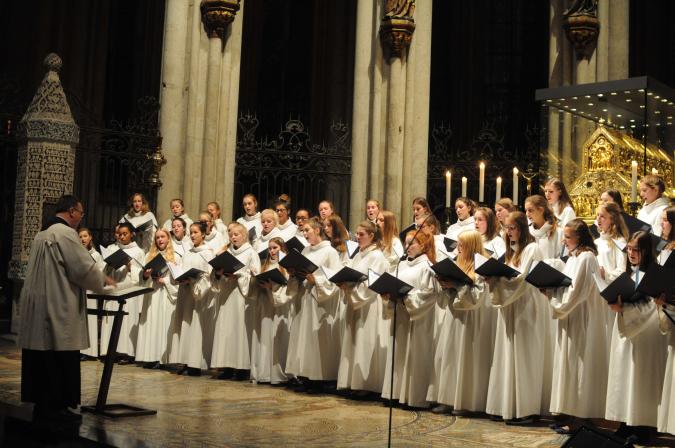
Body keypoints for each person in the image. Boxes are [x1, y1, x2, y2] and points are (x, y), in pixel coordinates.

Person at [19, 195, 112, 422]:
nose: (81, 218)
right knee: (58, 354)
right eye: (81, 212)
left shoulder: (42, 234)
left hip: (40, 303)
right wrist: (104, 281)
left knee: (42, 356)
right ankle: (58, 407)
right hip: (57, 303)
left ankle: (42, 405)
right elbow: (82, 268)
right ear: (71, 211)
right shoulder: (65, 234)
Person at [485, 211, 552, 424]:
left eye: (512, 228)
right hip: (511, 306)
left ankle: (527, 410)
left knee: (525, 357)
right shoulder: (511, 252)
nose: (508, 232)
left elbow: (522, 279)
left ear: (522, 229)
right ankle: (507, 405)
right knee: (508, 355)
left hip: (527, 307)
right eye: (506, 228)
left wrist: (500, 280)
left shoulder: (533, 248)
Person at [545, 219, 609, 433]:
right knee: (569, 365)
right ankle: (571, 413)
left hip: (582, 318)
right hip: (570, 316)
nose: (563, 240)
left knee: (580, 365)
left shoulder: (587, 257)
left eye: (568, 236)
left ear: (579, 237)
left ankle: (581, 417)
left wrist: (555, 300)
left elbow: (578, 292)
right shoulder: (573, 258)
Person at [605, 231, 668, 444]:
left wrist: (624, 310)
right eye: (629, 249)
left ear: (646, 252)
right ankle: (625, 422)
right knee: (623, 376)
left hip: (646, 333)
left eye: (636, 250)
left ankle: (641, 426)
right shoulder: (630, 273)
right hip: (626, 330)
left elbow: (651, 306)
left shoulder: (654, 274)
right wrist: (619, 306)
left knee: (640, 379)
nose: (631, 253)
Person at [429, 230, 495, 415]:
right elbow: (449, 296)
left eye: (461, 245)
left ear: (471, 247)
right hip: (454, 316)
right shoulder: (457, 263)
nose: (457, 248)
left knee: (467, 358)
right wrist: (446, 285)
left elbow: (478, 297)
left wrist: (457, 285)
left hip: (471, 320)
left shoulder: (481, 267)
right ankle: (447, 399)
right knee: (450, 356)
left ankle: (467, 402)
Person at [380, 230, 441, 409]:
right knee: (398, 354)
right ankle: (396, 393)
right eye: (406, 243)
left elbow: (428, 295)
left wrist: (406, 298)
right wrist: (390, 295)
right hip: (401, 315)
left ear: (422, 245)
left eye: (411, 243)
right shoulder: (402, 265)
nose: (407, 246)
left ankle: (414, 397)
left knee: (414, 354)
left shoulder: (427, 266)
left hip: (418, 320)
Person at [284, 217, 342, 391]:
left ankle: (319, 378)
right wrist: (294, 273)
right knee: (303, 337)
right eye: (303, 231)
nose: (305, 233)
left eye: (307, 230)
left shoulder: (329, 252)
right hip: (305, 298)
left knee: (316, 339)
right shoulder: (305, 252)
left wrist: (315, 279)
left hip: (320, 303)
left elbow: (334, 278)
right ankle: (305, 375)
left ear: (318, 230)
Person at [337, 220, 390, 395]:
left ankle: (367, 385)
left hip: (370, 305)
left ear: (372, 236)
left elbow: (372, 283)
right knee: (354, 341)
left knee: (366, 341)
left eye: (361, 234)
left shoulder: (377, 256)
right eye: (357, 234)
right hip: (356, 303)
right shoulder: (359, 254)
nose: (357, 237)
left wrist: (352, 288)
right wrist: (345, 283)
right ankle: (354, 382)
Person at [211, 222, 260, 380]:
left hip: (241, 296)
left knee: (239, 330)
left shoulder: (251, 253)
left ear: (244, 235)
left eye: (237, 234)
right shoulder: (227, 254)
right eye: (231, 235)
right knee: (226, 330)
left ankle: (241, 367)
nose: (233, 237)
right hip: (226, 294)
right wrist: (218, 274)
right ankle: (226, 366)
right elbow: (215, 278)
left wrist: (239, 274)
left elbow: (255, 275)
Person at [99, 222, 145, 360]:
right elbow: (102, 271)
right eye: (120, 234)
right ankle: (110, 351)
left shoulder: (138, 251)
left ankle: (125, 352)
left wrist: (130, 266)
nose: (122, 236)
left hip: (128, 288)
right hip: (113, 286)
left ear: (132, 234)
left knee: (126, 320)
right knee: (111, 318)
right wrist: (107, 264)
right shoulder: (111, 249)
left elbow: (141, 275)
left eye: (125, 234)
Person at [175, 222, 215, 376]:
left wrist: (193, 281)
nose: (192, 235)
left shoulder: (207, 253)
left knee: (197, 328)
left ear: (203, 234)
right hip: (186, 294)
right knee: (186, 326)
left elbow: (209, 276)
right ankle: (185, 361)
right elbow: (180, 269)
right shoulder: (187, 253)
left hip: (199, 296)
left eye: (195, 232)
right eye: (191, 232)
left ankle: (195, 363)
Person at [135, 229, 179, 368]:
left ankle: (163, 359)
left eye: (162, 237)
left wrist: (165, 280)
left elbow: (177, 278)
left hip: (165, 294)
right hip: (153, 294)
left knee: (164, 325)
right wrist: (146, 275)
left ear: (168, 239)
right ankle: (151, 357)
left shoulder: (175, 256)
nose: (160, 240)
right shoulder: (149, 255)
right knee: (152, 323)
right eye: (157, 237)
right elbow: (141, 278)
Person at [252, 237, 292, 384]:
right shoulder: (265, 265)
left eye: (275, 248)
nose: (272, 251)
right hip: (265, 305)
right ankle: (264, 373)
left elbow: (289, 288)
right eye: (270, 248)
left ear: (282, 249)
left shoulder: (286, 267)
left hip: (279, 307)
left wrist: (273, 287)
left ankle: (278, 374)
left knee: (277, 338)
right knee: (265, 338)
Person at [78, 227, 106, 360]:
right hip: (78, 289)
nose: (82, 239)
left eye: (85, 236)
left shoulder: (96, 255)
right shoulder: (76, 253)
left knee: (89, 319)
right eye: (80, 236)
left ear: (90, 238)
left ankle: (89, 352)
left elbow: (101, 273)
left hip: (89, 290)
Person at [525, 195, 563, 260]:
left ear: (541, 210)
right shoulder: (527, 231)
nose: (527, 214)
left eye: (530, 210)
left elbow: (561, 259)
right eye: (526, 210)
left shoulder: (558, 232)